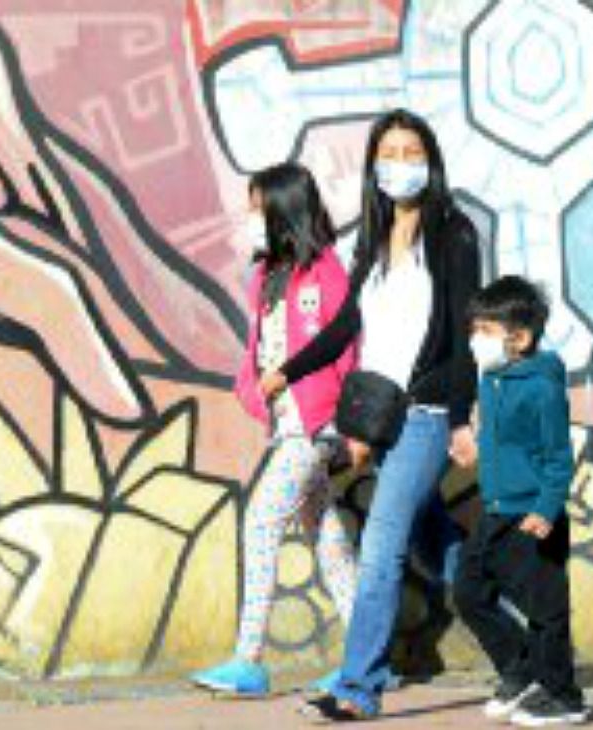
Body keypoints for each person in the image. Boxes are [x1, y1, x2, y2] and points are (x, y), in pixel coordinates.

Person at [264, 109, 481, 721]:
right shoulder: (374, 237)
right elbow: (345, 326)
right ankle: (522, 634)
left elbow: (465, 334)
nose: (402, 164)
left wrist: (462, 416)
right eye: (391, 152)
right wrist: (290, 369)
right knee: (436, 544)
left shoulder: (453, 233)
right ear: (374, 165)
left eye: (413, 152)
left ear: (431, 161)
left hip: (428, 411)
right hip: (384, 418)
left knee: (381, 545)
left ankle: (358, 689)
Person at [189, 163, 359, 698]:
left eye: (258, 206)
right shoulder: (267, 276)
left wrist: (346, 425)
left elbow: (346, 349)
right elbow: (258, 346)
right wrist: (252, 390)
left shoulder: (327, 271)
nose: (250, 217)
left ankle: (249, 659)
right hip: (287, 423)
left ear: (285, 209)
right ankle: (367, 656)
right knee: (326, 537)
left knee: (261, 519)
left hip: (317, 426)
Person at [454, 275, 588, 726]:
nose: (477, 340)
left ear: (521, 338)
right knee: (469, 592)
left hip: (533, 516)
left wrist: (546, 509)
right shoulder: (493, 378)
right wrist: (476, 446)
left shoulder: (543, 387)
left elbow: (557, 457)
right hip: (496, 512)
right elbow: (505, 439)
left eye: (486, 332)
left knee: (546, 610)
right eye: (476, 330)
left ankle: (563, 697)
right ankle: (520, 667)